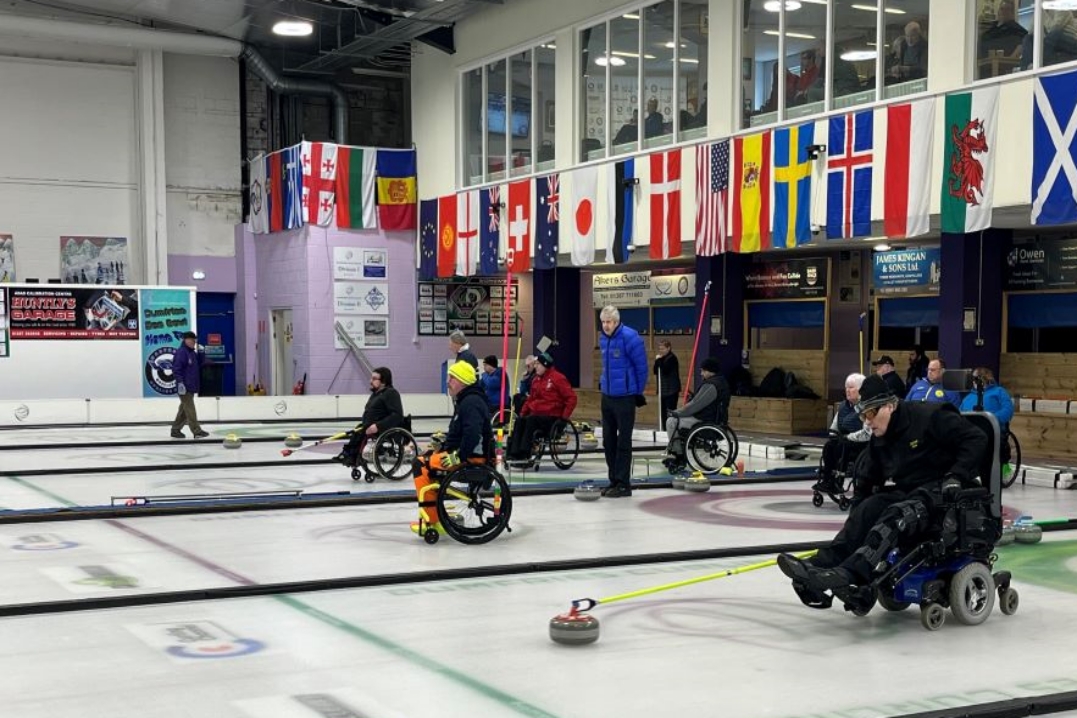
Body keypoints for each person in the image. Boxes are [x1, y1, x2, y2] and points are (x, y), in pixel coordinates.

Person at [777, 373, 988, 609]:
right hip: (910, 490)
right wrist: (857, 514)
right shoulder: (880, 436)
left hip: (944, 492)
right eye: (863, 415)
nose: (867, 422)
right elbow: (868, 479)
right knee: (867, 509)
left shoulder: (931, 416)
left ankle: (852, 573)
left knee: (897, 515)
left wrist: (956, 475)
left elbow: (976, 438)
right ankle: (822, 564)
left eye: (871, 414)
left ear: (890, 405)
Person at [411, 360, 493, 536]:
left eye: (452, 378)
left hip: (472, 458)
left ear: (463, 380)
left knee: (420, 465)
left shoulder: (471, 402)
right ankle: (434, 514)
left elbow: (473, 435)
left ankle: (432, 520)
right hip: (465, 454)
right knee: (426, 459)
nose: (448, 381)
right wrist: (441, 447)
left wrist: (458, 456)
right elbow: (461, 434)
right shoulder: (467, 400)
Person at [598, 305, 649, 498]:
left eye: (609, 322)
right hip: (608, 396)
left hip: (625, 397)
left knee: (623, 442)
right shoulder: (603, 338)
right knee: (608, 440)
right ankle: (614, 480)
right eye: (603, 322)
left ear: (617, 321)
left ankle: (623, 483)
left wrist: (636, 391)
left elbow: (641, 367)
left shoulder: (630, 337)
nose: (605, 326)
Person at [506, 352, 578, 462]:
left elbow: (571, 398)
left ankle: (525, 452)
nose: (535, 367)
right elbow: (530, 399)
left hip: (552, 417)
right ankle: (514, 452)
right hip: (537, 415)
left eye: (537, 364)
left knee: (531, 420)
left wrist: (564, 418)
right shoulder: (536, 380)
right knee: (520, 421)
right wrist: (522, 413)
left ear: (545, 364)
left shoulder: (558, 378)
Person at [664, 357, 730, 471]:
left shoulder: (711, 385)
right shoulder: (721, 382)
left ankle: (679, 456)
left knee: (671, 422)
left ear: (709, 371)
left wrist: (677, 413)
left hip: (704, 419)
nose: (701, 373)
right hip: (714, 418)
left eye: (703, 371)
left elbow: (695, 405)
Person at [813, 373, 871, 495]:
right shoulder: (843, 405)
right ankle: (828, 479)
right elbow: (835, 425)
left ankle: (838, 481)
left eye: (851, 387)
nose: (847, 391)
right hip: (844, 439)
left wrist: (848, 437)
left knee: (843, 446)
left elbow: (867, 433)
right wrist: (834, 435)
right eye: (846, 387)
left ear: (861, 389)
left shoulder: (866, 406)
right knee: (829, 446)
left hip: (860, 443)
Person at [335, 367, 405, 467]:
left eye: (374, 379)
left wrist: (378, 426)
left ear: (383, 381)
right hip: (368, 426)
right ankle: (349, 456)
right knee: (356, 432)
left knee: (360, 432)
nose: (370, 381)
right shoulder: (376, 394)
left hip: (383, 429)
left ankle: (350, 457)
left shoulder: (391, 393)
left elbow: (397, 415)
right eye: (371, 378)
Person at [960, 367, 1016, 479]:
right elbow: (959, 413)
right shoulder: (968, 398)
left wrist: (992, 419)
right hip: (970, 433)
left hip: (992, 431)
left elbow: (1007, 410)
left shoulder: (999, 392)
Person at [170, 331, 209, 440]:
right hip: (184, 387)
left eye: (195, 340)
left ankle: (175, 430)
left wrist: (201, 352)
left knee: (184, 410)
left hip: (191, 386)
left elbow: (200, 363)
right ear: (186, 340)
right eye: (192, 340)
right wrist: (180, 383)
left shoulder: (192, 353)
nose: (194, 342)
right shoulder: (182, 352)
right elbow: (176, 369)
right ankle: (196, 431)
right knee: (190, 409)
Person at [653, 340, 682, 424]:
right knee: (663, 414)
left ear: (668, 348)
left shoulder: (672, 358)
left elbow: (666, 370)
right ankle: (664, 431)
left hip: (671, 390)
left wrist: (659, 361)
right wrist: (657, 361)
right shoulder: (661, 358)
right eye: (659, 349)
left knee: (670, 413)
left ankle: (671, 431)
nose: (661, 351)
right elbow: (655, 371)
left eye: (663, 349)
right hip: (663, 390)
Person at [480, 355, 510, 421]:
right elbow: (480, 385)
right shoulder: (489, 376)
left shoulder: (501, 373)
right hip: (490, 403)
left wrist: (484, 374)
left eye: (485, 365)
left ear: (490, 365)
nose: (484, 367)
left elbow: (491, 384)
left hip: (498, 404)